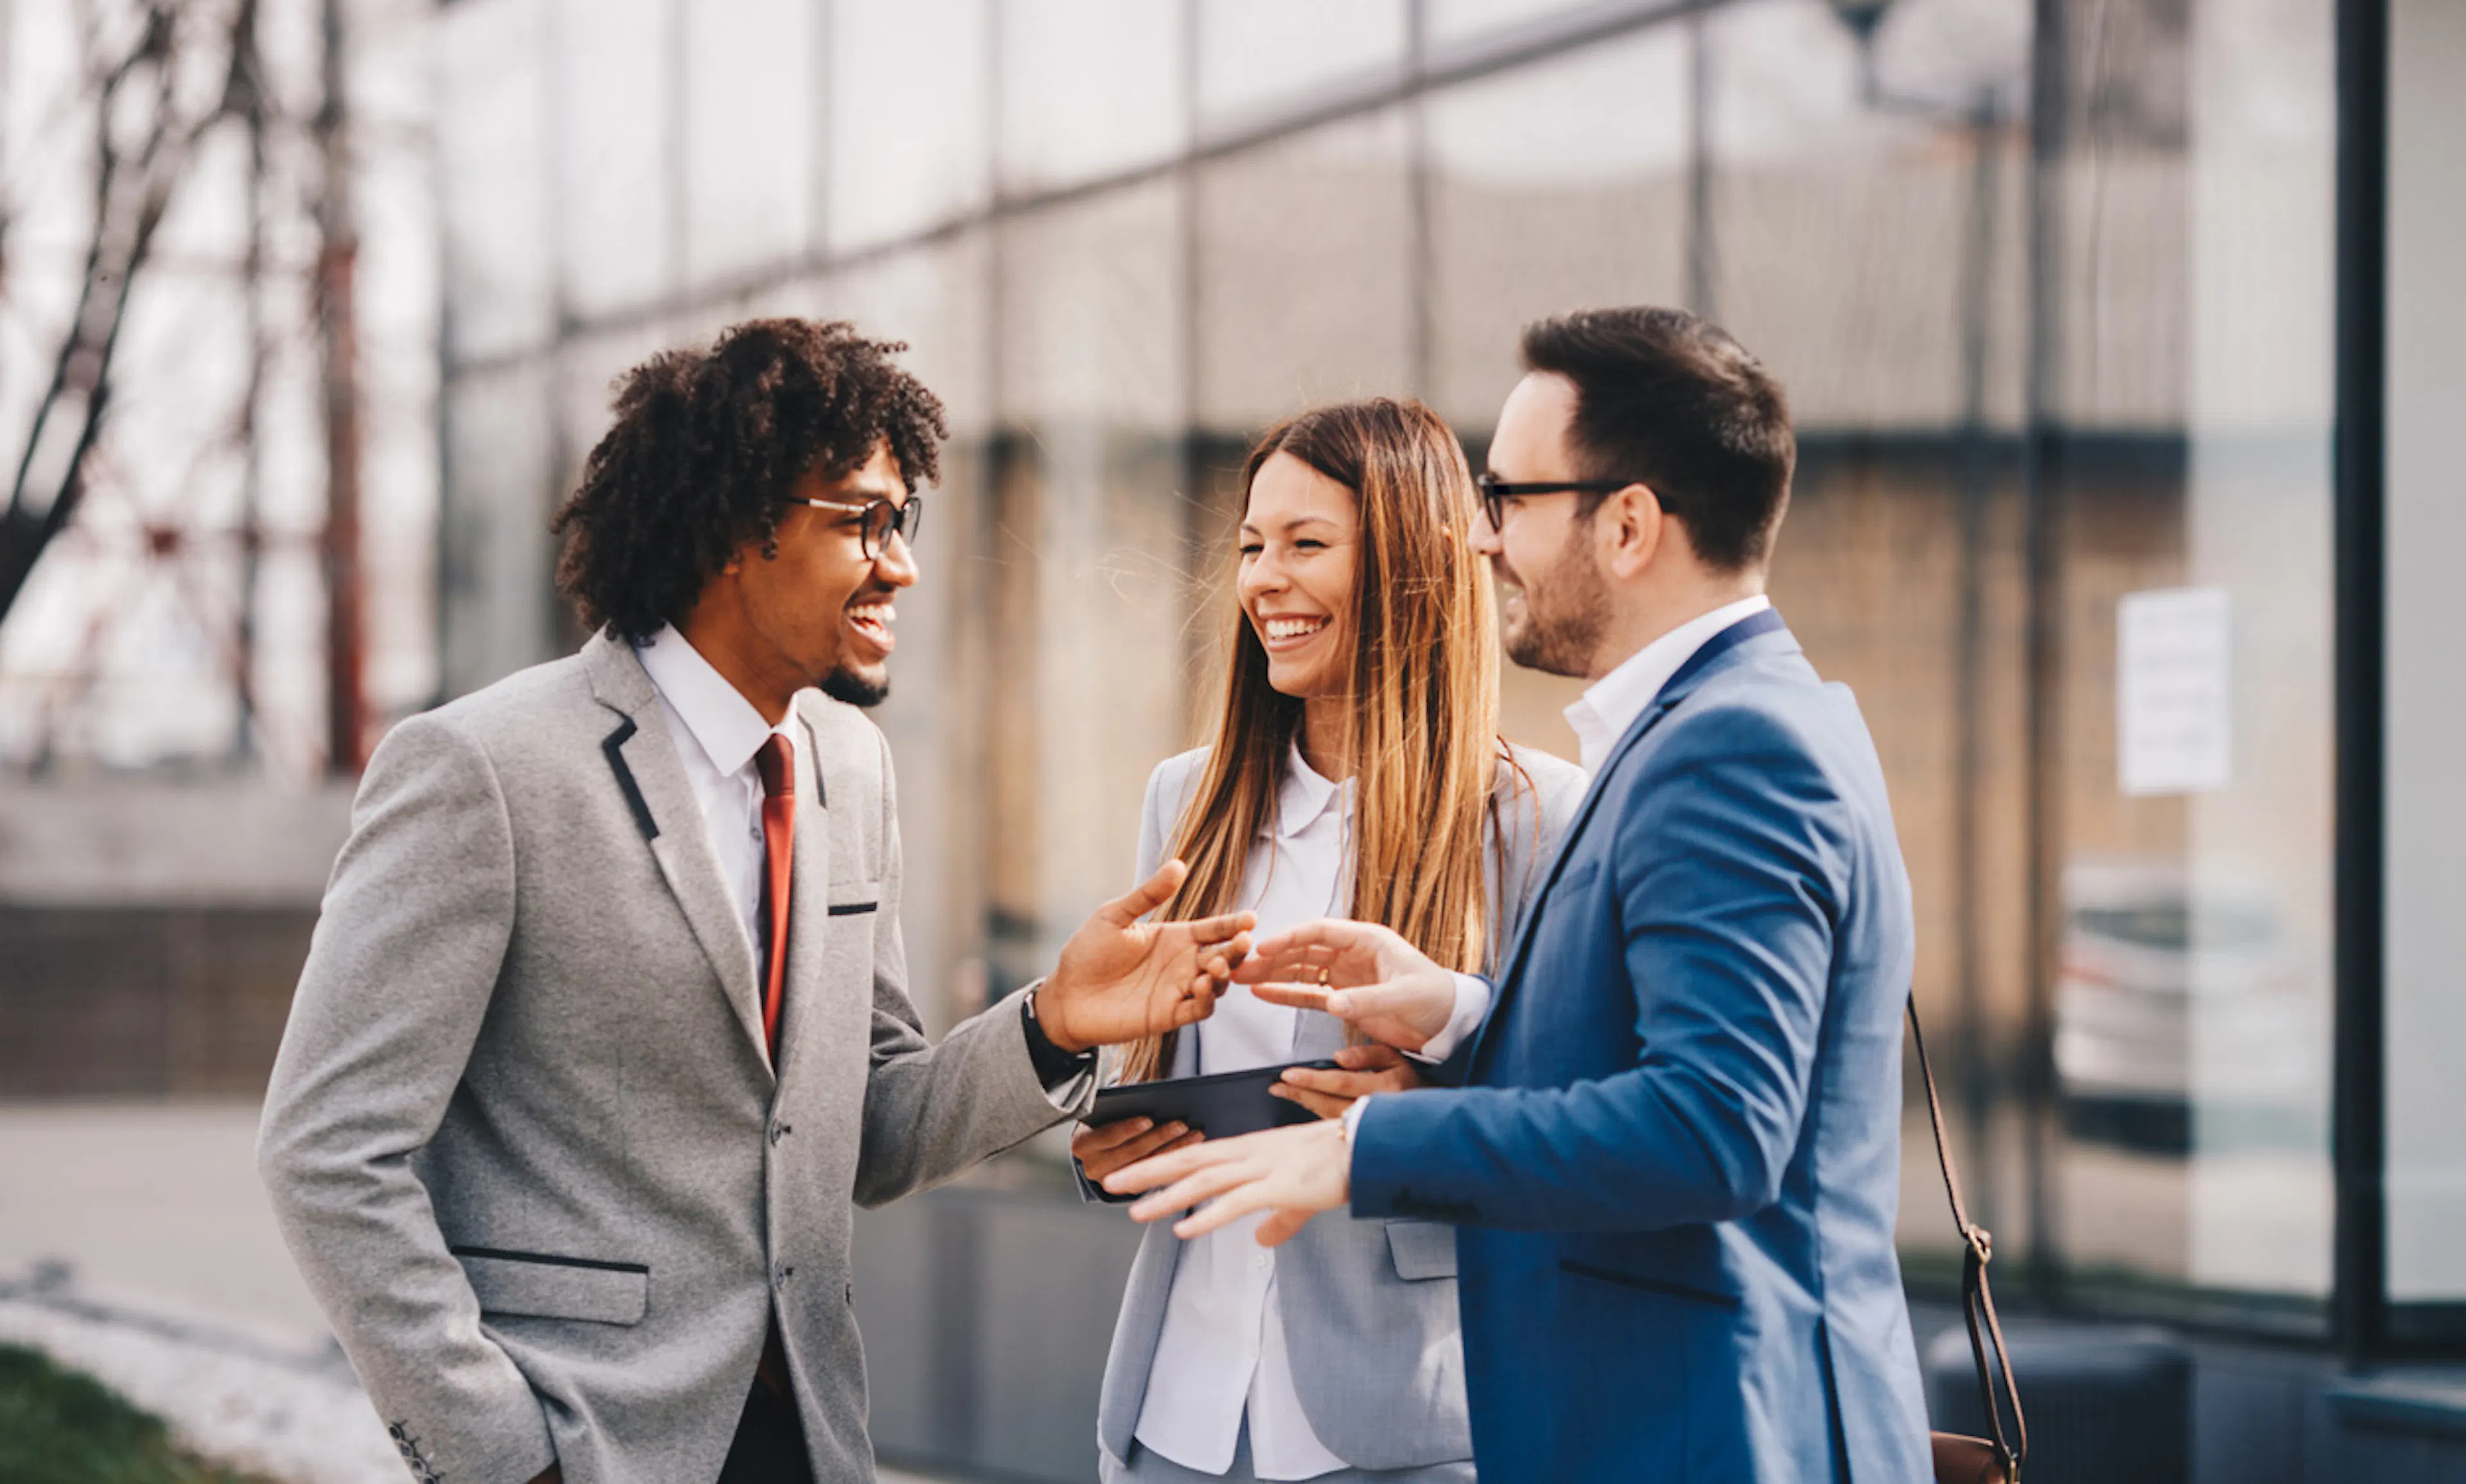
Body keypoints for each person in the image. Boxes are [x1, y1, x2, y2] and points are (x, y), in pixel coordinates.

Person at [258, 319, 1254, 1484]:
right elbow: (327, 1152)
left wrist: (1053, 1026)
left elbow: (868, 1134)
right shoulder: (484, 771)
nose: (903, 564)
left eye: (904, 520)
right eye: (863, 521)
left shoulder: (849, 765)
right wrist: (499, 1456)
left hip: (809, 1435)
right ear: (741, 530)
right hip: (586, 1442)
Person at [1108, 308, 1937, 1484]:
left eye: (1512, 501)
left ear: (1630, 524)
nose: (1485, 543)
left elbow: (1714, 1125)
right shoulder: (1720, 729)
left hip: (1718, 1430)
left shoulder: (1732, 745)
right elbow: (1649, 1066)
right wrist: (1451, 1011)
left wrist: (1370, 1144)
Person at [1070, 400, 1583, 1484]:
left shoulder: (1540, 817)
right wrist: (1112, 1145)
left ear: (1409, 566)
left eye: (1307, 544)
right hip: (1179, 1413)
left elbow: (1587, 1115)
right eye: (1253, 546)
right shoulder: (1187, 799)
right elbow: (1147, 1067)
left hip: (1405, 1424)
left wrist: (1427, 1107)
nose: (1263, 579)